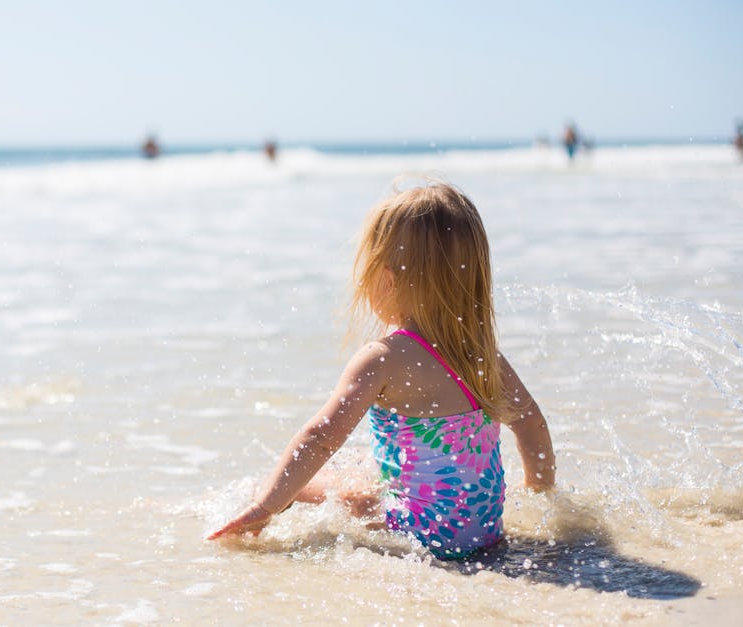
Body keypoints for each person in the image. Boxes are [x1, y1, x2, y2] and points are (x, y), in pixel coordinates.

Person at [208, 182, 556, 560]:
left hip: (419, 536)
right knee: (362, 462)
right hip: (483, 534)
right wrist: (540, 495)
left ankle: (242, 506)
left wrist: (267, 505)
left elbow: (321, 438)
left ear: (387, 279)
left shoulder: (383, 358)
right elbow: (531, 423)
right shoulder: (485, 357)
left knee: (305, 487)